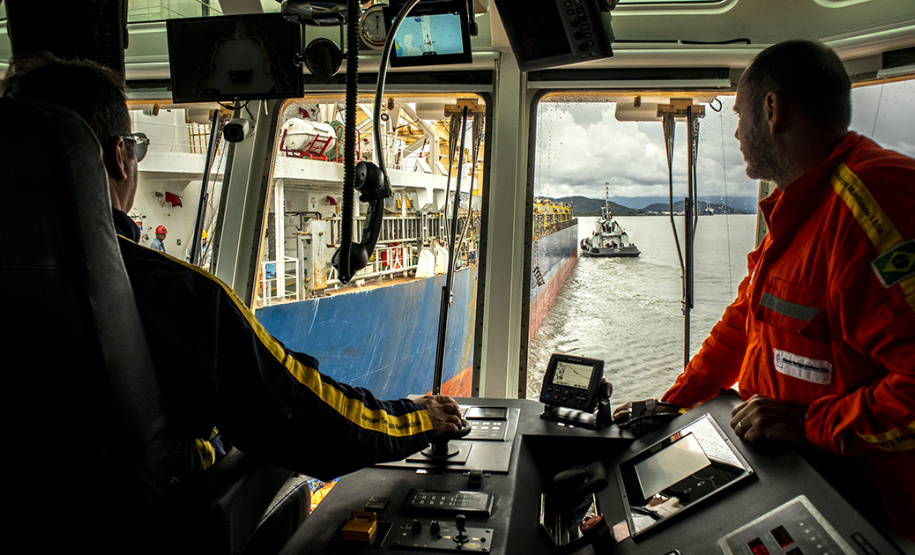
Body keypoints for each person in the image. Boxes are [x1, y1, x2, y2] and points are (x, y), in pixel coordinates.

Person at [1, 53, 463, 483]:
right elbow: (306, 417)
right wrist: (418, 416)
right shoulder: (169, 291)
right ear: (119, 157)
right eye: (137, 149)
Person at [615, 40, 914, 540]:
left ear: (772, 110)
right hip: (785, 472)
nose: (734, 131)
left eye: (737, 115)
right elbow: (743, 322)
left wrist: (812, 425)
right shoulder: (801, 204)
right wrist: (671, 406)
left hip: (866, 511)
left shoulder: (874, 203)